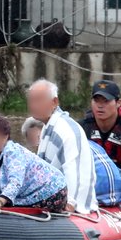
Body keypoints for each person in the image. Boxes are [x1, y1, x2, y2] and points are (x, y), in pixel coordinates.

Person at [26, 78, 96, 214]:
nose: (33, 105)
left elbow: (73, 170)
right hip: (53, 198)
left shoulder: (66, 130)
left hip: (75, 207)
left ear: (54, 102)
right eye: (31, 100)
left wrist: (70, 203)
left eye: (38, 100)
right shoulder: (48, 126)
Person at [0, 112, 67, 213]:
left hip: (53, 193)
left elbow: (15, 182)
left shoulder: (12, 152)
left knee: (10, 204)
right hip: (46, 192)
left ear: (5, 137)